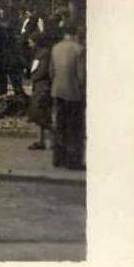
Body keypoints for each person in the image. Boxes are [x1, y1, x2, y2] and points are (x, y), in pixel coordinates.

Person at [50, 26, 86, 170]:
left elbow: (51, 72)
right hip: (74, 93)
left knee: (60, 125)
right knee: (74, 128)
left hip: (58, 90)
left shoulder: (55, 48)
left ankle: (58, 158)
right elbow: (81, 75)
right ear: (75, 34)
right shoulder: (79, 50)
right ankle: (73, 161)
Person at [26, 31, 54, 151]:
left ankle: (51, 140)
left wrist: (33, 78)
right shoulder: (40, 53)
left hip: (42, 86)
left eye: (31, 41)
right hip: (39, 85)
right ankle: (43, 140)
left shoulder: (42, 54)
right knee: (40, 114)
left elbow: (40, 71)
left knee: (41, 114)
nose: (29, 44)